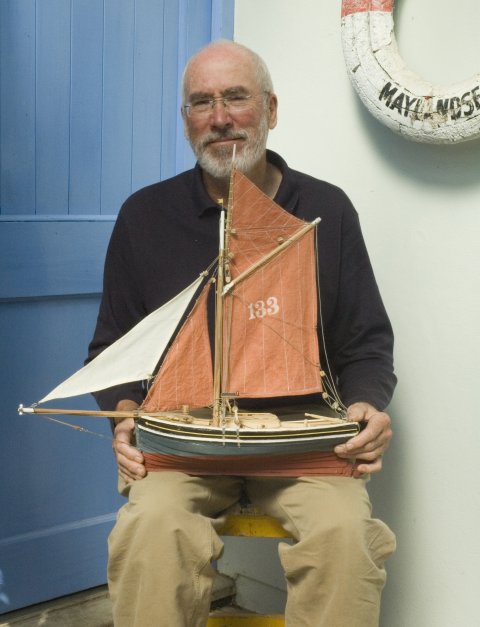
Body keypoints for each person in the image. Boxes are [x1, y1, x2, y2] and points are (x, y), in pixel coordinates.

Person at [87, 40, 397, 627]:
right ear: (186, 122)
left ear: (271, 110)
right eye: (201, 103)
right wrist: (125, 413)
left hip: (302, 442)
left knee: (344, 536)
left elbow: (366, 343)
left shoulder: (325, 210)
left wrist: (366, 408)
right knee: (151, 531)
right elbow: (112, 346)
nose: (220, 117)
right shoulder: (144, 216)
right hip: (185, 442)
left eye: (235, 97)